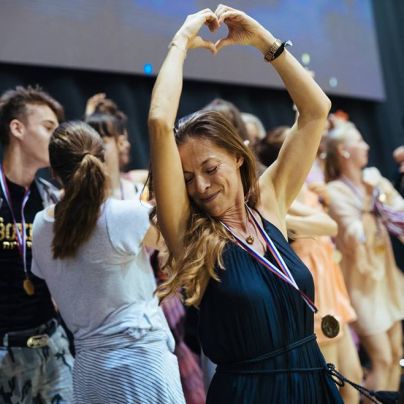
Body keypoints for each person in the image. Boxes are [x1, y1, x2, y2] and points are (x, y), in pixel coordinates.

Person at [148, 5, 345, 403]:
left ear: (239, 157)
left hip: (313, 384)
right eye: (187, 179)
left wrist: (263, 42)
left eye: (210, 168)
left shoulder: (270, 203)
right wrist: (181, 41)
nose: (201, 186)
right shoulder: (189, 232)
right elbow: (158, 123)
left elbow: (315, 112)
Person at [31, 121, 185, 403]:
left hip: (89, 372)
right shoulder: (124, 215)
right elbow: (178, 242)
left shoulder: (41, 225)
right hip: (141, 362)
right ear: (102, 162)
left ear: (53, 172)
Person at [0, 85, 73, 403]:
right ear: (17, 128)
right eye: (48, 127)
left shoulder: (52, 199)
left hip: (51, 343)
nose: (58, 138)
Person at [325, 120, 404, 396]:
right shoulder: (335, 191)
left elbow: (400, 212)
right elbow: (351, 236)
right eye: (359, 140)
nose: (366, 146)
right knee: (381, 357)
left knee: (396, 354)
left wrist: (384, 202)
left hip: (387, 279)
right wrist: (372, 201)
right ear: (344, 151)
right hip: (361, 285)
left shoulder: (375, 178)